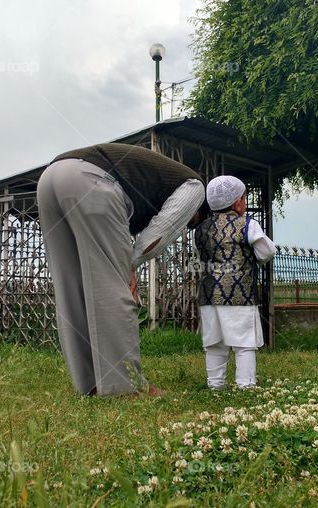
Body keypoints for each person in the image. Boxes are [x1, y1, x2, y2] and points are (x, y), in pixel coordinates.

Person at [36, 143, 205, 396]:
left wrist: (128, 264)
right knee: (112, 291)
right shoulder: (195, 188)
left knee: (71, 287)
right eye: (192, 221)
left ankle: (90, 384)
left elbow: (120, 236)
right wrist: (131, 264)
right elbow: (161, 231)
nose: (187, 223)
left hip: (51, 179)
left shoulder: (149, 188)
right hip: (92, 181)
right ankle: (125, 387)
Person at [195, 176, 274, 390]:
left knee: (214, 343)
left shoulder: (201, 229)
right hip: (240, 294)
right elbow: (267, 252)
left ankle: (215, 385)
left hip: (209, 294)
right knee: (244, 342)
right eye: (244, 198)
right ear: (237, 202)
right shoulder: (248, 225)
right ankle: (245, 385)